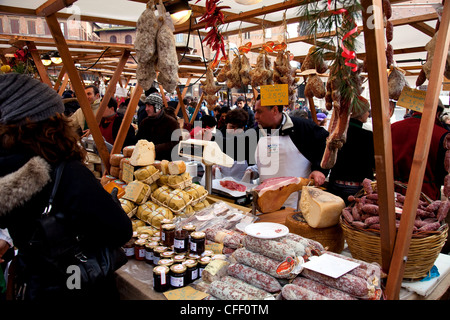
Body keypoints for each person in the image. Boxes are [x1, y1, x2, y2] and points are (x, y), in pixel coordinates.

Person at [0, 73, 132, 300]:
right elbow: (120, 230)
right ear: (50, 123)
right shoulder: (65, 172)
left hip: (37, 284)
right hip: (78, 284)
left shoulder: (5, 168)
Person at [245, 95, 329, 209]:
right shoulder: (256, 132)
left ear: (275, 110)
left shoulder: (302, 127)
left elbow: (327, 144)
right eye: (255, 111)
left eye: (259, 112)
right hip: (265, 203)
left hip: (296, 204)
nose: (255, 116)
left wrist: (319, 169)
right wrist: (253, 170)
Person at [391, 99, 449, 201]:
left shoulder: (392, 127)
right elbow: (442, 173)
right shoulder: (442, 134)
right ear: (438, 113)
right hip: (426, 195)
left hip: (393, 191)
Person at [327, 108, 375, 204]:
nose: (368, 112)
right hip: (357, 188)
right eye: (366, 110)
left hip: (335, 184)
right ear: (360, 114)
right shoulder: (368, 136)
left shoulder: (335, 134)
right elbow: (374, 162)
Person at [135, 93, 180, 161]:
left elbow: (176, 143)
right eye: (146, 106)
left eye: (149, 106)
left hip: (166, 162)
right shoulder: (145, 122)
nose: (146, 109)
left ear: (158, 106)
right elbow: (138, 140)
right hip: (146, 161)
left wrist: (154, 148)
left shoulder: (172, 123)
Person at [216, 108, 251, 181]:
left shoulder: (248, 140)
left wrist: (252, 171)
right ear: (226, 124)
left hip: (242, 182)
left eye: (239, 128)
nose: (235, 131)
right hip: (220, 181)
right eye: (232, 127)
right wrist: (213, 167)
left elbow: (253, 163)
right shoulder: (218, 137)